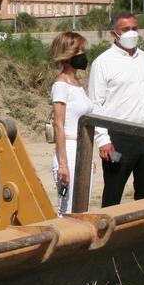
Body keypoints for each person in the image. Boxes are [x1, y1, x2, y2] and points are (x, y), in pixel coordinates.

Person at [89, 12, 144, 206]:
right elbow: (96, 104)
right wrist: (103, 140)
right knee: (113, 192)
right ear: (114, 34)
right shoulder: (103, 63)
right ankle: (109, 235)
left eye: (134, 29)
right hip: (118, 138)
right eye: (126, 29)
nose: (132, 33)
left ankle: (142, 234)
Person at [49, 31, 93, 215]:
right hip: (69, 150)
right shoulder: (61, 85)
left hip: (82, 150)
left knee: (82, 208)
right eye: (79, 51)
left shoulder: (76, 84)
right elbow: (59, 124)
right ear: (67, 54)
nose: (83, 55)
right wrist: (63, 164)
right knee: (67, 209)